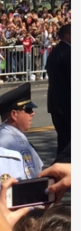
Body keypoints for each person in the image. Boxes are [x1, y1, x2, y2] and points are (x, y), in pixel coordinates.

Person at [0, 83, 42, 178]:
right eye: (28, 109)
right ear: (14, 114)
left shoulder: (15, 136)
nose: (33, 113)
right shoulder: (6, 143)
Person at [45, 23, 70, 162]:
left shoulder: (56, 52)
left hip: (57, 103)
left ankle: (61, 166)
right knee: (68, 142)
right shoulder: (68, 53)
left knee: (64, 140)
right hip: (67, 103)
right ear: (67, 36)